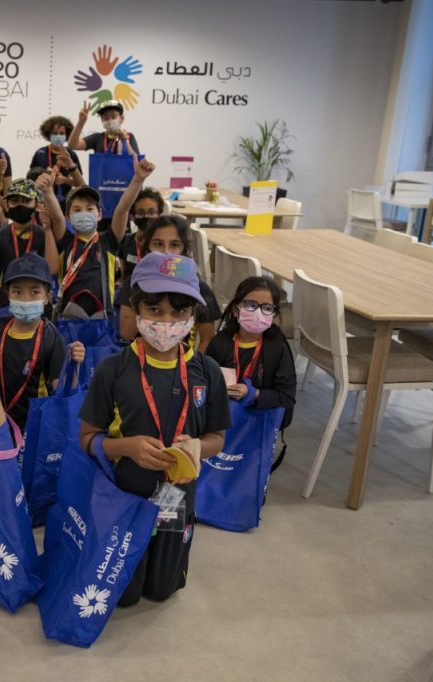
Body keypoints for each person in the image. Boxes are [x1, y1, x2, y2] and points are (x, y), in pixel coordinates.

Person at [79, 252, 230, 607]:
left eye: (179, 312)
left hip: (177, 500)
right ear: (135, 309)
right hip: (124, 497)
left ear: (193, 316)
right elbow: (87, 439)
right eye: (155, 310)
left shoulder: (207, 372)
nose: (166, 322)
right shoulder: (113, 370)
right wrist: (125, 448)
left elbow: (217, 439)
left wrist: (197, 447)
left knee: (162, 591)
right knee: (126, 596)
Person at [0, 253, 84, 427]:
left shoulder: (51, 337)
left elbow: (62, 391)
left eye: (35, 292)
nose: (25, 299)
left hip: (35, 425)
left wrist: (74, 365)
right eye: (17, 291)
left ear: (47, 297)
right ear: (8, 295)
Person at [117, 215, 221, 351]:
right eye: (158, 244)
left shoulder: (196, 287)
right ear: (148, 246)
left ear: (184, 249)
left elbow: (207, 339)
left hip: (184, 363)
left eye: (174, 245)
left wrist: (197, 366)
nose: (166, 251)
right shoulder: (136, 283)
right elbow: (126, 333)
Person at [204, 276, 296, 429]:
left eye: (267, 308)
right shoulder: (220, 343)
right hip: (221, 423)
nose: (258, 313)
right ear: (235, 310)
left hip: (259, 426)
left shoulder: (277, 347)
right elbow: (202, 387)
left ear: (273, 315)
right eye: (251, 305)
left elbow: (286, 397)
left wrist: (253, 393)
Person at [51, 182, 131, 319]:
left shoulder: (108, 240)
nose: (84, 213)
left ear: (99, 214)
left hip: (103, 317)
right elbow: (57, 218)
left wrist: (138, 179)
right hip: (68, 317)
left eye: (89, 209)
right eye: (77, 210)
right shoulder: (66, 241)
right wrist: (47, 191)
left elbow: (122, 209)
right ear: (68, 216)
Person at [0, 176, 61, 306]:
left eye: (26, 200)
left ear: (37, 204)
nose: (20, 205)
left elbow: (52, 269)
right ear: (6, 205)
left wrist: (49, 230)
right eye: (15, 201)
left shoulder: (43, 233)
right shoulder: (0, 234)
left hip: (38, 304)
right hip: (5, 305)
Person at [30, 115, 84, 203]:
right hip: (43, 200)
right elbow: (30, 179)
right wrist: (44, 174)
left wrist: (64, 180)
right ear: (48, 135)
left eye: (62, 133)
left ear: (67, 135)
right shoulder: (40, 153)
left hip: (65, 201)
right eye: (55, 133)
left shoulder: (71, 154)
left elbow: (79, 183)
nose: (58, 136)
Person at [67, 99, 140, 155]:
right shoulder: (97, 137)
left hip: (124, 175)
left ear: (121, 118)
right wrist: (81, 122)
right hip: (101, 175)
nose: (110, 120)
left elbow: (137, 162)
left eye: (114, 116)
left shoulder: (129, 137)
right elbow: (72, 145)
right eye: (106, 117)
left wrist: (124, 141)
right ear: (102, 120)